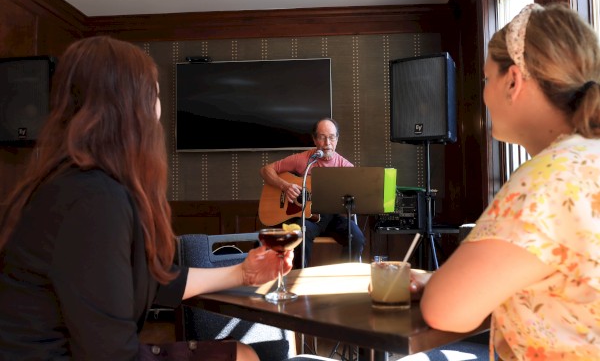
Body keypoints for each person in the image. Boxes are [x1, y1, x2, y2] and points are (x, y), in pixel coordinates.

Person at [0, 36, 293, 361]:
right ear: (132, 107)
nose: (158, 109)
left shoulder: (70, 183)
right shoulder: (94, 200)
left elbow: (154, 282)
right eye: (154, 93)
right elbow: (112, 354)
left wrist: (243, 272)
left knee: (245, 351)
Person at [414, 3, 600, 360]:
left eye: (486, 79)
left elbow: (445, 309)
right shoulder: (585, 159)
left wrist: (436, 285)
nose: (484, 93)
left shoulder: (549, 178)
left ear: (513, 81)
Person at [260, 117, 365, 268]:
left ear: (337, 139)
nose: (327, 143)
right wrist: (285, 186)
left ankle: (344, 279)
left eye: (331, 137)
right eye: (322, 137)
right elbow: (265, 170)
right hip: (307, 219)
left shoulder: (346, 167)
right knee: (300, 233)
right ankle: (298, 281)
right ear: (315, 139)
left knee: (357, 238)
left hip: (332, 218)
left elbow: (357, 195)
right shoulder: (303, 159)